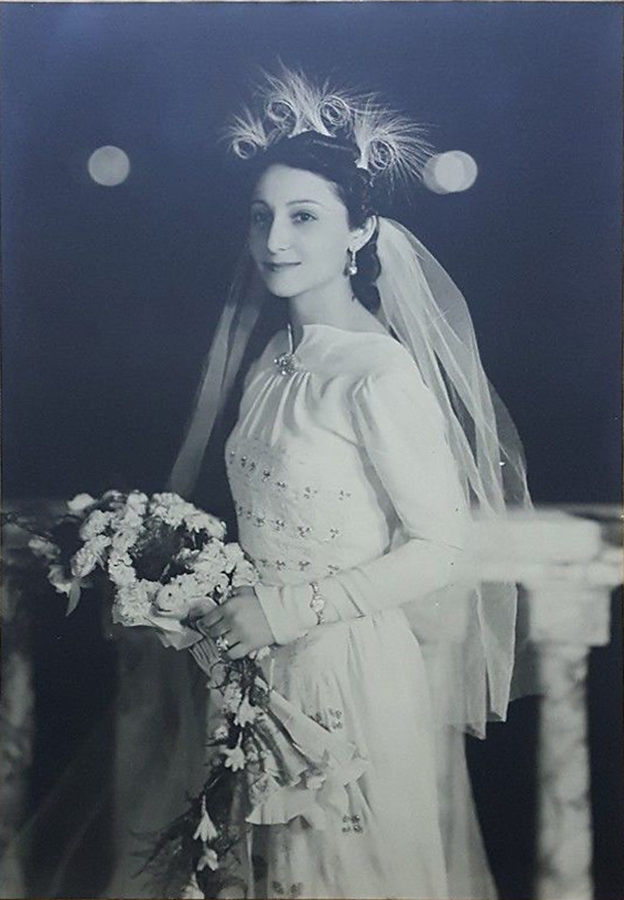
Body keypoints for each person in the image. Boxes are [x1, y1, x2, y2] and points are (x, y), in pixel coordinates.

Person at [164, 68, 533, 900]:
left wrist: (285, 611)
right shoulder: (275, 356)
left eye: (304, 217)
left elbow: (439, 546)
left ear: (359, 232)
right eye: (261, 216)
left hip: (348, 673)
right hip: (261, 669)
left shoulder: (378, 373)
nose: (275, 240)